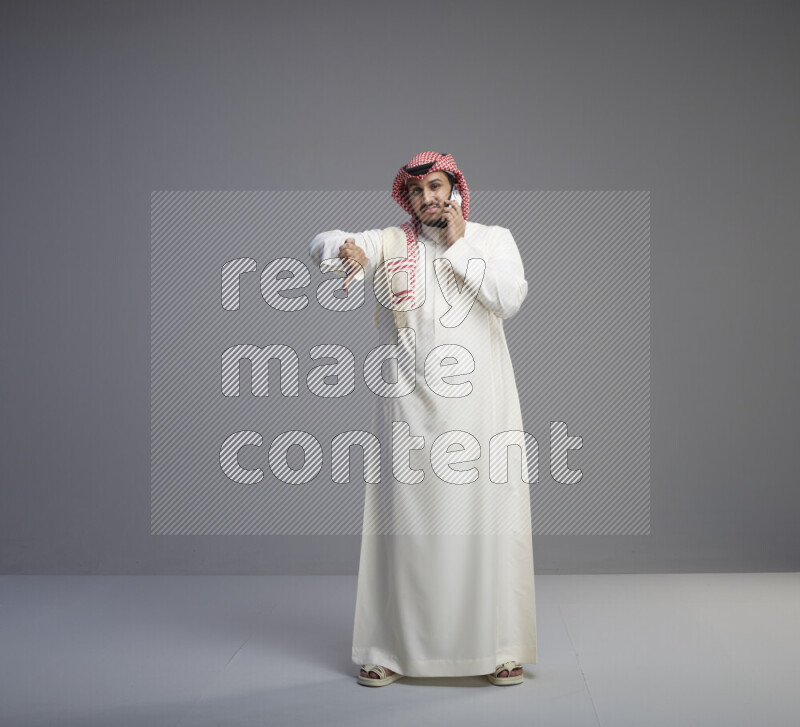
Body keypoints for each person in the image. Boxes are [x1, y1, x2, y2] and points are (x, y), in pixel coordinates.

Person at [309, 151, 537, 687]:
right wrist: (337, 247)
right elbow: (326, 245)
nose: (428, 198)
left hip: (482, 408)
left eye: (437, 187)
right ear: (407, 199)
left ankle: (499, 647)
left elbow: (509, 299)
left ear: (455, 189)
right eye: (418, 192)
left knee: (487, 521)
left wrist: (459, 244)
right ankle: (389, 647)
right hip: (408, 406)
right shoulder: (391, 242)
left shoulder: (494, 238)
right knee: (405, 526)